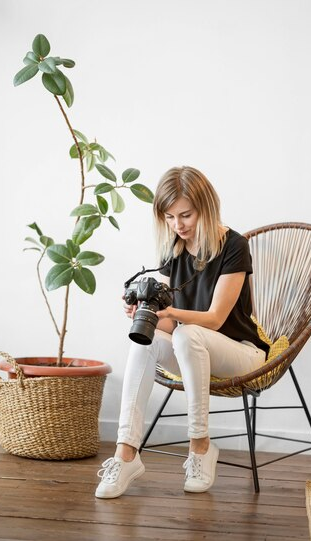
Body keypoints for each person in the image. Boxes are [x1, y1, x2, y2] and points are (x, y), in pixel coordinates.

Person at [95, 166, 269, 499]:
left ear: (206, 207)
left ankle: (200, 446)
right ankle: (126, 453)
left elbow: (216, 319)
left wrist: (172, 312)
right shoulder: (173, 250)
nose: (179, 225)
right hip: (192, 350)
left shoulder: (234, 246)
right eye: (170, 217)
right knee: (144, 341)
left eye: (186, 215)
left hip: (242, 353)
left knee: (189, 335)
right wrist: (145, 315)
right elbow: (173, 326)